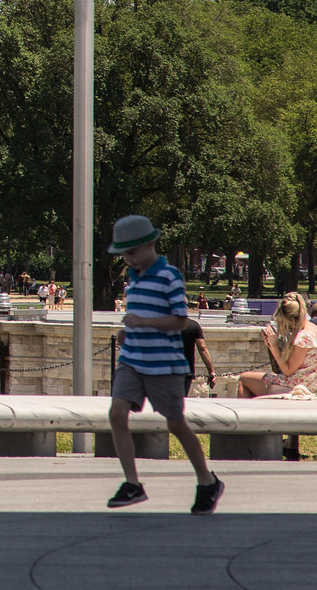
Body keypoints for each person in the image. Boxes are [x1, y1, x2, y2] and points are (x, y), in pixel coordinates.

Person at [104, 215, 219, 509]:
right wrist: (127, 332)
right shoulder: (135, 278)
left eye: (131, 252)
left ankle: (207, 480)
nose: (128, 259)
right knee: (117, 413)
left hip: (163, 364)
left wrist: (142, 322)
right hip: (132, 359)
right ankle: (132, 483)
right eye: (123, 254)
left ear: (150, 244)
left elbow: (181, 321)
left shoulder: (169, 276)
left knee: (176, 424)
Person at [238, 293, 317, 400]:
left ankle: (246, 416)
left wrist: (273, 345)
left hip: (297, 386)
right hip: (308, 383)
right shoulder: (313, 328)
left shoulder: (304, 336)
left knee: (244, 379)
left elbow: (288, 370)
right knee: (252, 377)